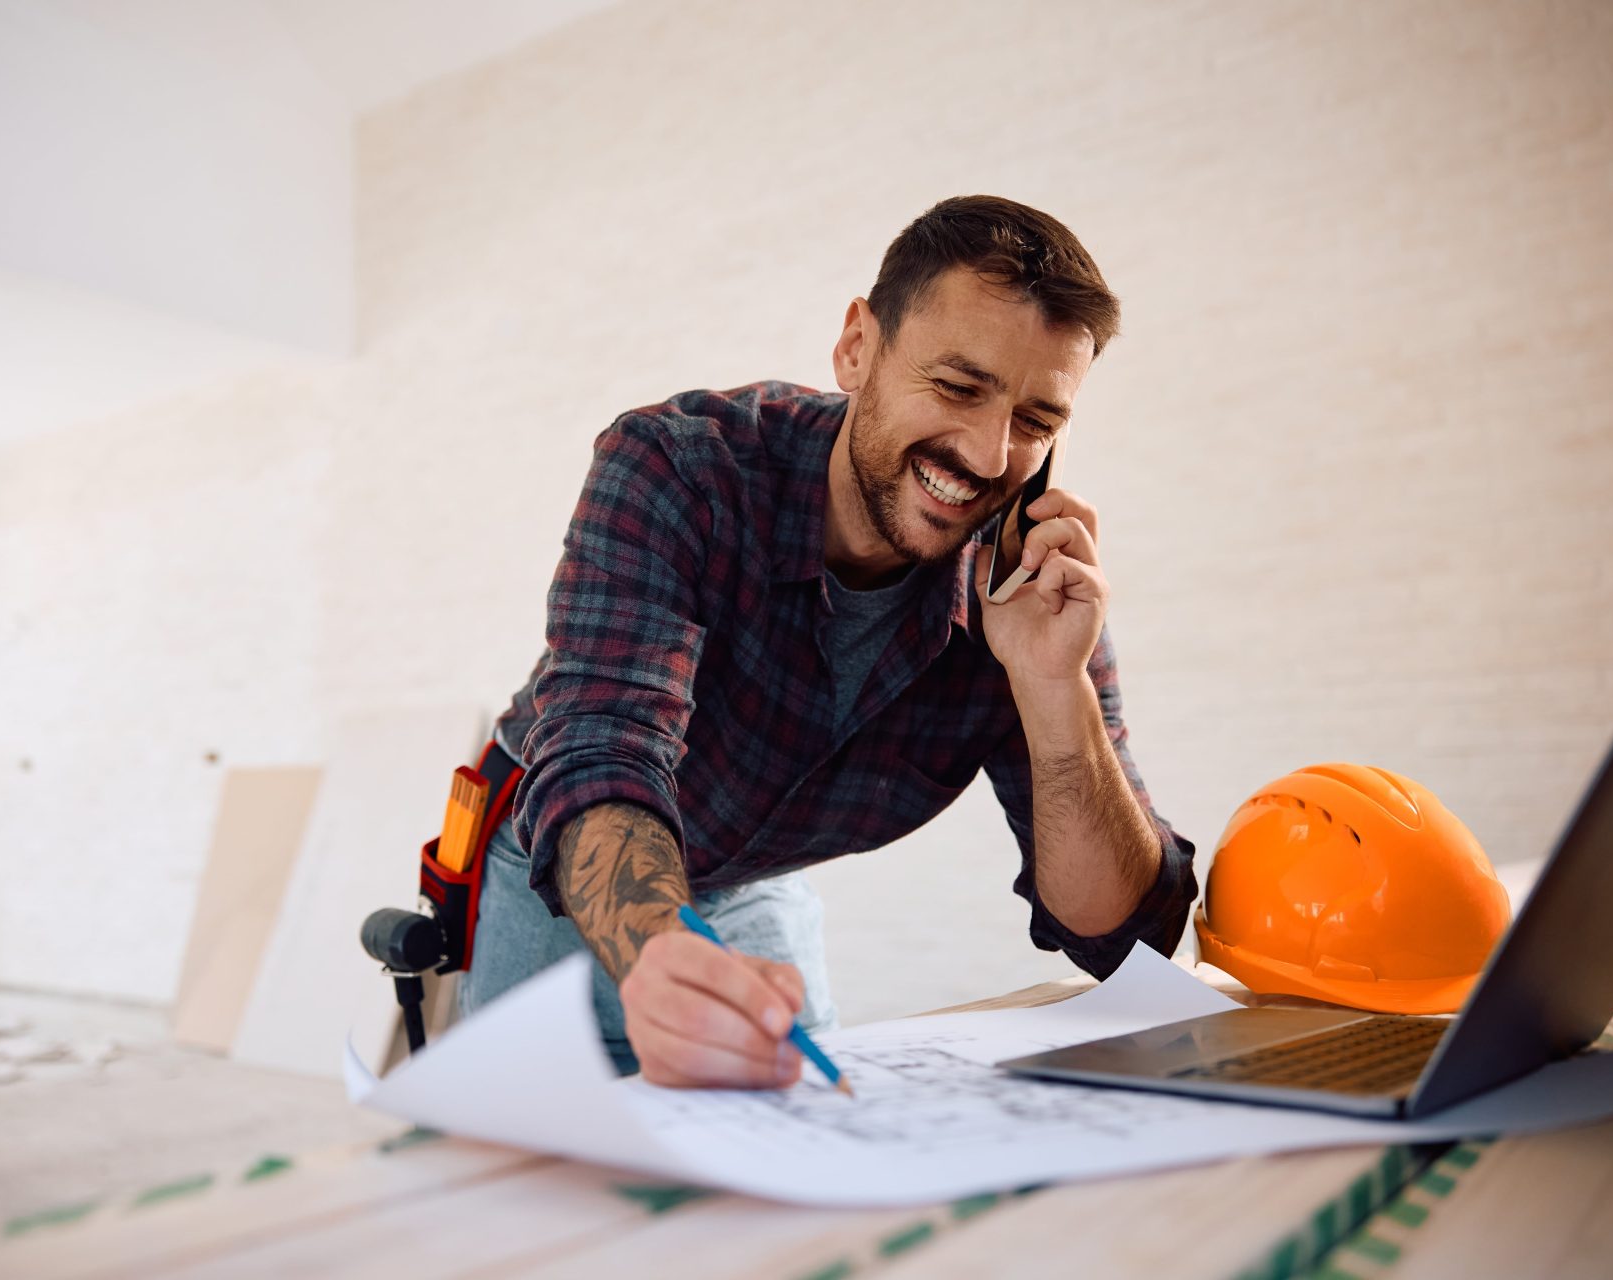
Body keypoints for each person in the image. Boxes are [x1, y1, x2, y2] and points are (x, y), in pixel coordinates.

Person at [460, 195, 1197, 1087]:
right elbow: (600, 754)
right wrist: (660, 956)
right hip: (568, 852)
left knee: (799, 1121)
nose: (987, 454)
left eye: (1036, 421)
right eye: (958, 387)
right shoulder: (680, 469)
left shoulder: (1030, 590)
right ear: (857, 349)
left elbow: (1120, 939)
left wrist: (1052, 687)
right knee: (528, 1141)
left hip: (751, 876)